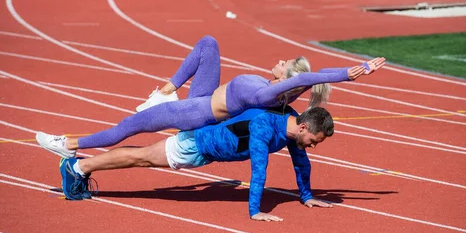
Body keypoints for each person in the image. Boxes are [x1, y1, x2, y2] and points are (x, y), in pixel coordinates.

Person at [37, 35, 385, 159]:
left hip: (195, 113)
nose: (277, 61)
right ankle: (165, 91)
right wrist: (361, 69)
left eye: (284, 64)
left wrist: (347, 74)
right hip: (204, 96)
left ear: (287, 79)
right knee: (208, 44)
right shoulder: (281, 87)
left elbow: (312, 76)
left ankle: (68, 143)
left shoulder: (270, 91)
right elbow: (315, 77)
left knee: (128, 127)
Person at [57, 106, 335, 221]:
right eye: (314, 140)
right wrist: (255, 211)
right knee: (140, 157)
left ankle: (82, 166)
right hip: (196, 146)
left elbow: (301, 163)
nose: (312, 146)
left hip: (203, 148)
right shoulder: (266, 127)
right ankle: (78, 168)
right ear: (302, 127)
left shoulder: (290, 122)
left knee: (141, 156)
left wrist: (307, 196)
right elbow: (259, 170)